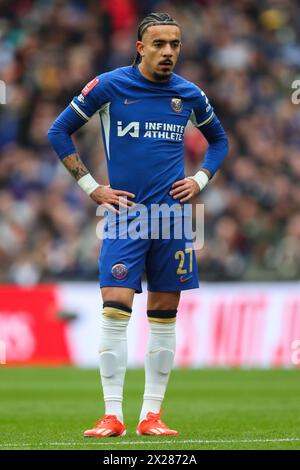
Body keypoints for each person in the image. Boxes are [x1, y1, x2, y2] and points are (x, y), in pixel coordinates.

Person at [48, 12, 228, 438]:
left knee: (164, 315)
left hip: (173, 219)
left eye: (175, 45)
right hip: (125, 216)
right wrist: (93, 187)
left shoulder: (189, 94)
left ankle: (151, 417)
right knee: (115, 307)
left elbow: (219, 140)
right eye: (160, 44)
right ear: (140, 47)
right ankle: (112, 415)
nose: (168, 52)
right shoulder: (110, 86)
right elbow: (59, 131)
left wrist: (200, 178)